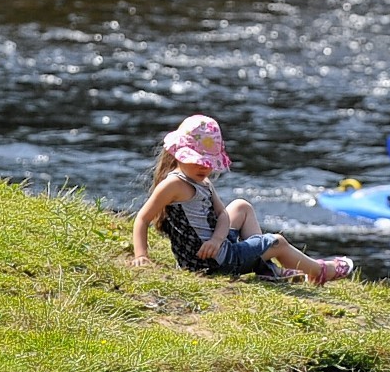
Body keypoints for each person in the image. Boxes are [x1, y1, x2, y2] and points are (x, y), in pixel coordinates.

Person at [131, 114, 355, 285]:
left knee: (241, 206)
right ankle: (318, 271)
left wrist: (218, 239)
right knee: (277, 242)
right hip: (209, 262)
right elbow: (143, 218)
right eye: (197, 161)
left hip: (216, 248)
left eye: (208, 163)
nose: (203, 167)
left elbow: (222, 215)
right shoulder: (173, 185)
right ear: (178, 154)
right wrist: (141, 255)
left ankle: (265, 268)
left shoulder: (203, 182)